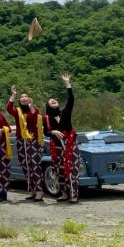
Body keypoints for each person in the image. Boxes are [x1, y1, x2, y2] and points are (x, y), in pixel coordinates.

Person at [6, 86, 45, 202]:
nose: (23, 98)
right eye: (21, 97)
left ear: (29, 99)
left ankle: (39, 191)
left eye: (25, 97)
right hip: (21, 141)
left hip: (33, 140)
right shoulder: (17, 111)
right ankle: (32, 190)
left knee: (34, 165)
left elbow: (34, 116)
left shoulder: (35, 110)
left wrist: (30, 105)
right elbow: (8, 108)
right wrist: (13, 95)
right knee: (25, 165)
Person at [44, 74, 78, 203]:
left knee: (71, 170)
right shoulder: (46, 118)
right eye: (50, 101)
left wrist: (67, 84)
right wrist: (53, 131)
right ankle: (64, 194)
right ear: (48, 105)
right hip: (57, 148)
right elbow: (46, 133)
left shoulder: (65, 112)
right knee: (60, 171)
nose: (53, 101)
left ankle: (73, 195)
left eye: (55, 100)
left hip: (70, 145)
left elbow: (71, 99)